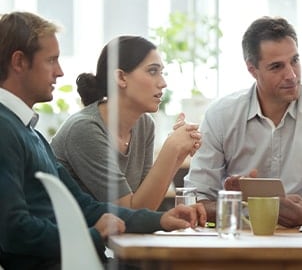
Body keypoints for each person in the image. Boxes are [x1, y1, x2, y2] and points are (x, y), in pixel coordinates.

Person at [0, 11, 207, 270]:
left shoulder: (30, 133)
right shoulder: (5, 129)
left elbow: (86, 206)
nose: (60, 72)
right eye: (51, 60)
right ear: (19, 62)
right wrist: (92, 235)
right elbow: (13, 232)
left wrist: (161, 220)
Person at [184, 16, 302, 227]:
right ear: (252, 69)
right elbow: (196, 199)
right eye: (276, 67)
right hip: (242, 242)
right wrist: (233, 202)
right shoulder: (221, 115)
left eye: (295, 61)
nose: (291, 75)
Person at [50, 35, 201, 210]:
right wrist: (171, 148)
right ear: (121, 77)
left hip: (115, 236)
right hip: (77, 236)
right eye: (153, 71)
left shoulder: (144, 125)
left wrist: (179, 153)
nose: (163, 83)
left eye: (162, 73)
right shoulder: (84, 129)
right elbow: (127, 212)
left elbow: (146, 206)